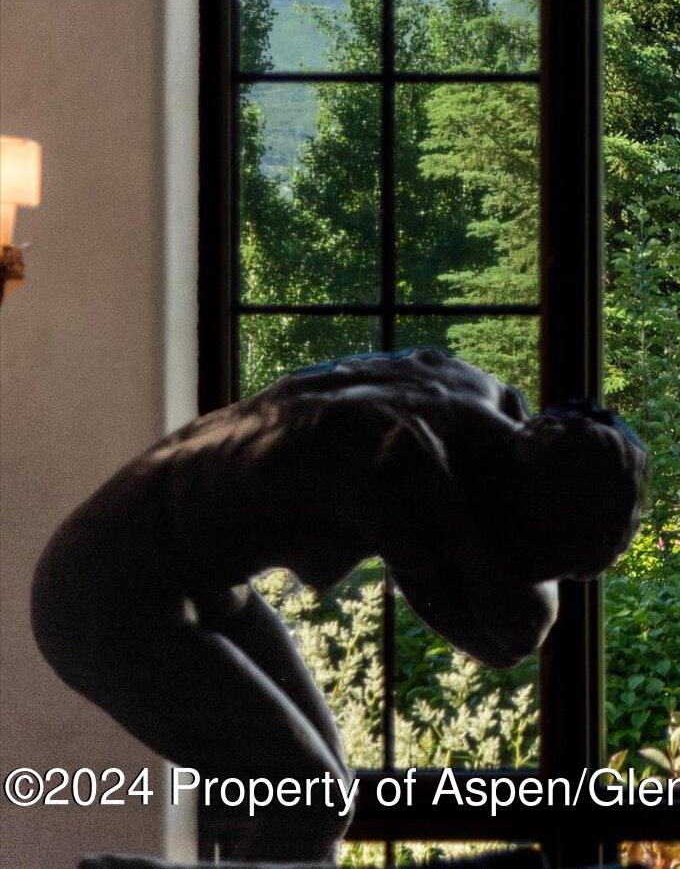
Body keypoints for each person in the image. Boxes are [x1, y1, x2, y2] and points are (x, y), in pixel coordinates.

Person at [31, 347, 648, 865]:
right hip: (100, 588)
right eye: (534, 555)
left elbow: (521, 600)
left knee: (324, 804)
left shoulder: (477, 398)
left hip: (199, 583)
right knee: (313, 801)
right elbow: (509, 635)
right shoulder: (395, 460)